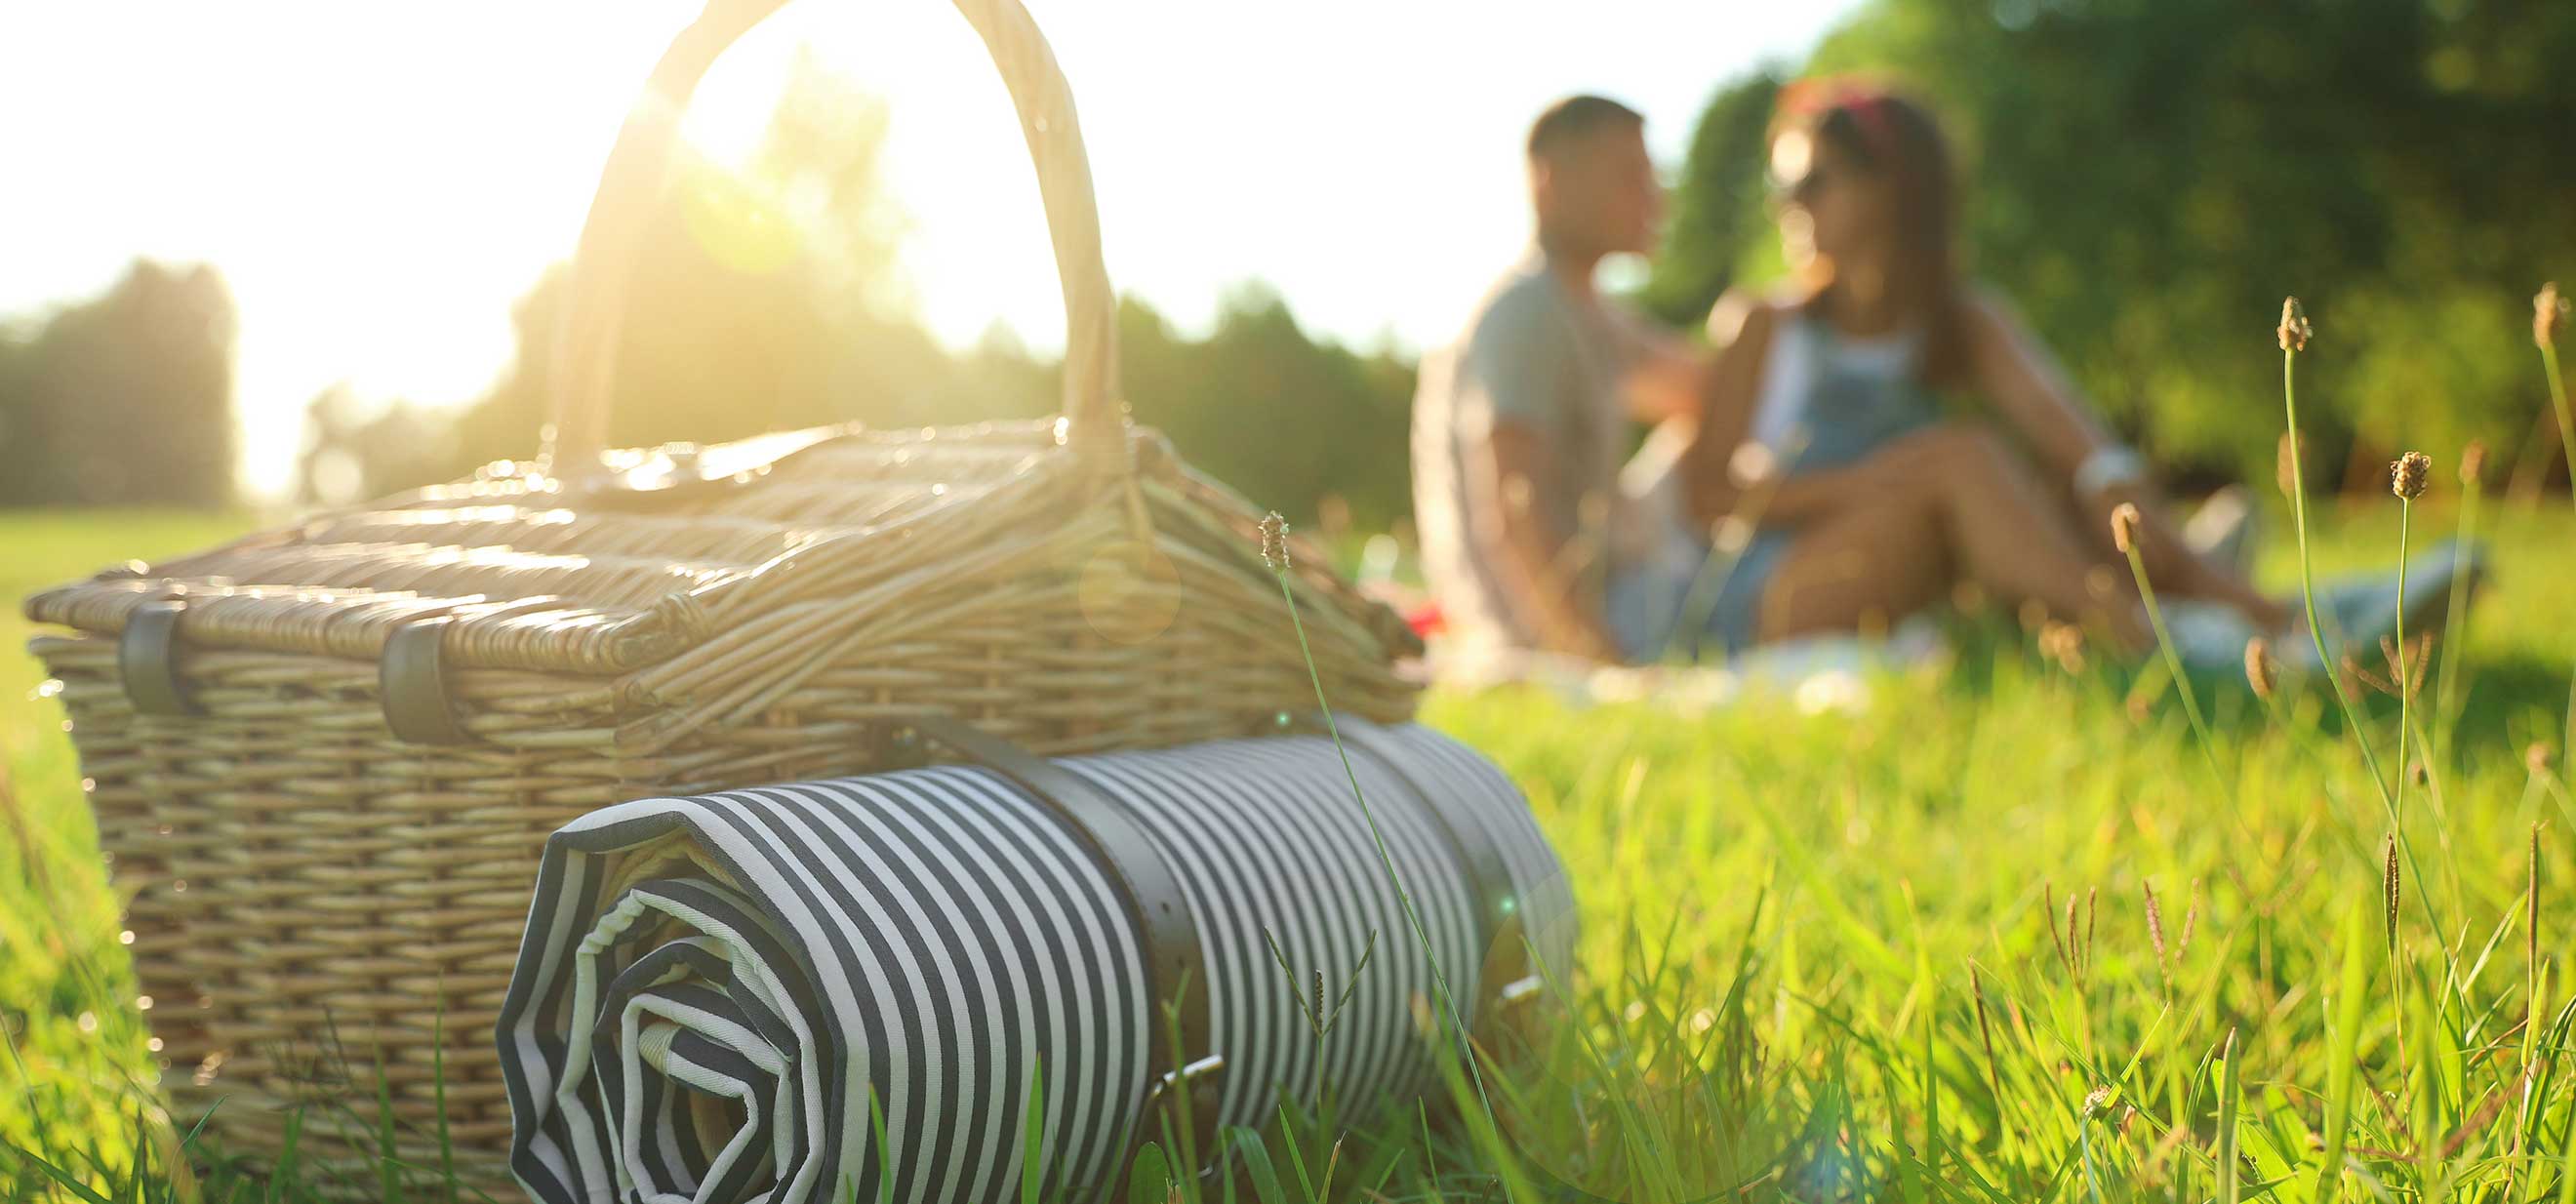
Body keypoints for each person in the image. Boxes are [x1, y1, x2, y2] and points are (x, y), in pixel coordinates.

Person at [1666, 79, 2468, 665]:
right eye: (1782, 186)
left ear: (1890, 186)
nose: (1787, 206)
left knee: (2069, 485)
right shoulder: (1762, 323)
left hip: (1903, 561)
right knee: (1962, 457)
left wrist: (2125, 502)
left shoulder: (1959, 318)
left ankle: (2272, 615)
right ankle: (2185, 649)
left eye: (1809, 181)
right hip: (1768, 600)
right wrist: (1888, 481)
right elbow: (1706, 501)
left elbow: (2070, 433)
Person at [1411, 96, 1707, 663]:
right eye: (1629, 176)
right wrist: (1594, 659)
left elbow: (1705, 393)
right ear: (1549, 183)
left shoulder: (1587, 313)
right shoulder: (1527, 311)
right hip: (1543, 628)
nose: (1655, 198)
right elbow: (1514, 507)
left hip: (1602, 597)